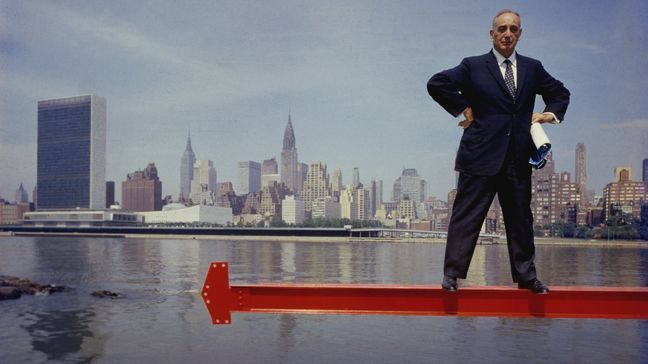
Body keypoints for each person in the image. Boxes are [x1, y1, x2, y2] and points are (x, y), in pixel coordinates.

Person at [427, 9, 570, 294]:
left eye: (513, 29)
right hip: (479, 155)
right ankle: (452, 276)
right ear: (492, 34)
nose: (507, 34)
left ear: (520, 34)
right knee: (467, 217)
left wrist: (546, 116)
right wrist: (463, 108)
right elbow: (436, 84)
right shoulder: (473, 66)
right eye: (502, 29)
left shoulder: (533, 67)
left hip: (517, 158)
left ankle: (527, 278)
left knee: (520, 220)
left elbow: (560, 93)